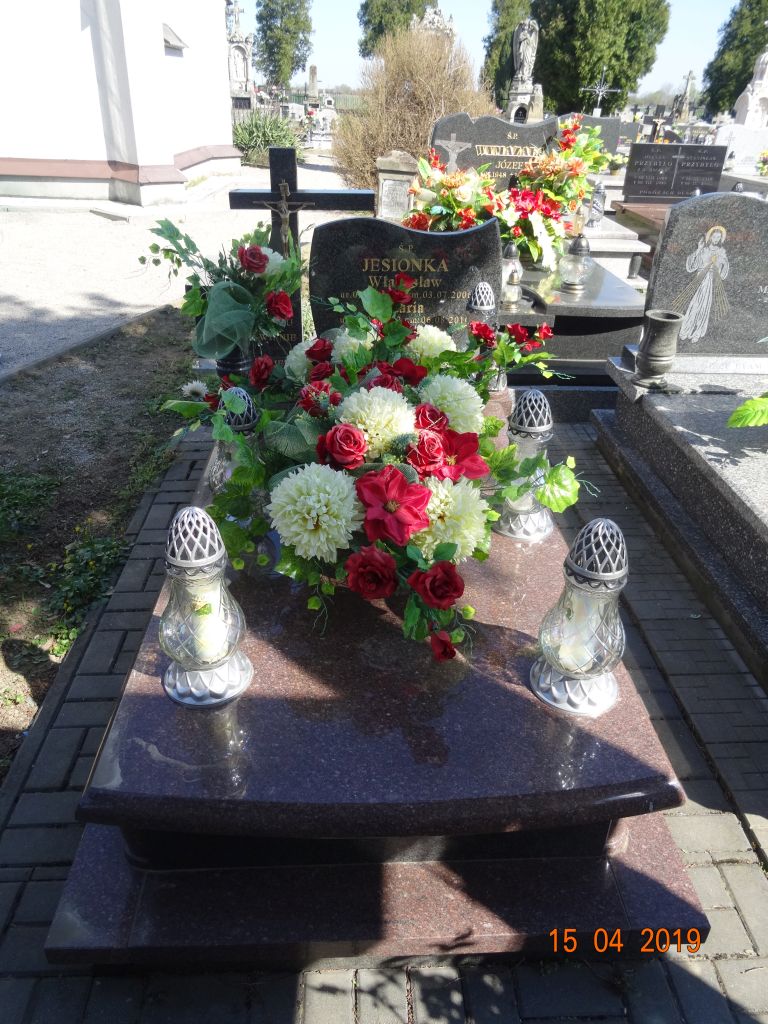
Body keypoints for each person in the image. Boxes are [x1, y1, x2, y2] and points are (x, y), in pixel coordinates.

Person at [672, 226, 730, 344]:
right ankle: (685, 330)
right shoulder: (703, 249)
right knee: (693, 306)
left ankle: (697, 333)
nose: (716, 239)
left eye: (719, 237)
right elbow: (691, 267)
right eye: (714, 236)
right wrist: (698, 249)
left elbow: (723, 272)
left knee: (704, 308)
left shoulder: (722, 252)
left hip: (710, 283)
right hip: (698, 281)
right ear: (710, 237)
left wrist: (723, 263)